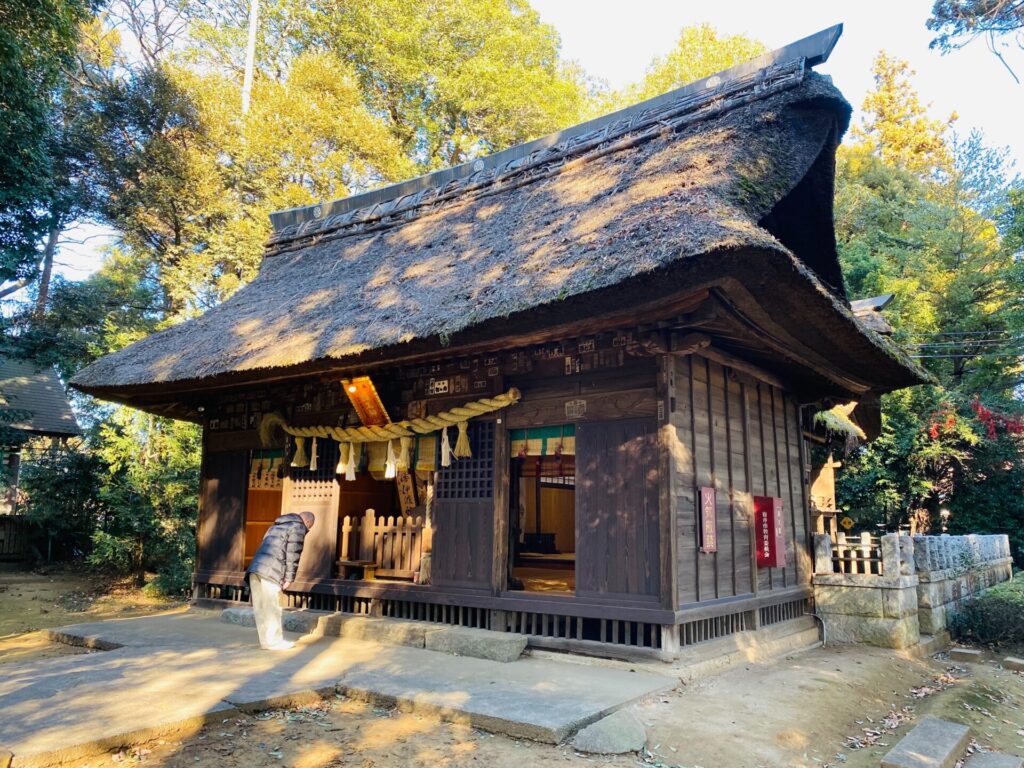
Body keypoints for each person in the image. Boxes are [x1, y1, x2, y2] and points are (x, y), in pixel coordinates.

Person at [245, 511, 315, 650]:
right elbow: (293, 553)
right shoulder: (298, 526)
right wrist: (289, 578)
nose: (307, 530)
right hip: (272, 571)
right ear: (307, 522)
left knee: (260, 608)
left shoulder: (276, 525)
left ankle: (266, 642)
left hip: (255, 568)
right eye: (309, 528)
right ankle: (275, 642)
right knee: (272, 607)